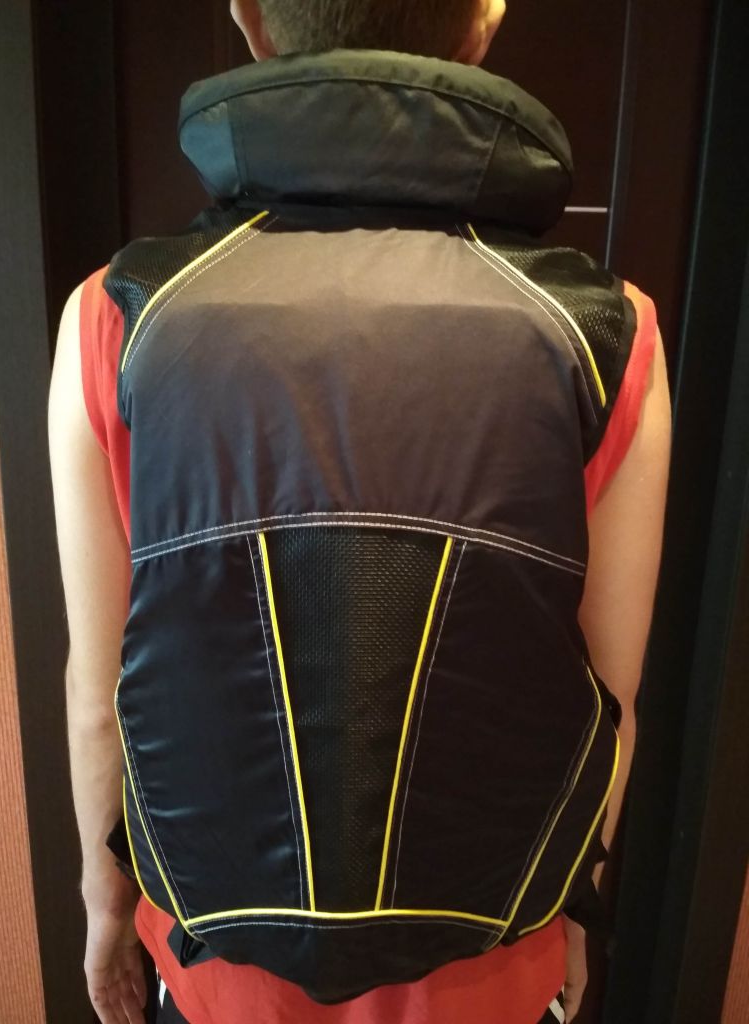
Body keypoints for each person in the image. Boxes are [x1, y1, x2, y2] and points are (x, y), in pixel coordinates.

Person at [48, 1, 672, 1022]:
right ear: (484, 22)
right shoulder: (609, 333)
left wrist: (103, 904)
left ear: (250, 18)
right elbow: (612, 697)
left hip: (218, 966)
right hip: (493, 962)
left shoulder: (116, 319)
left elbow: (99, 692)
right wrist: (571, 910)